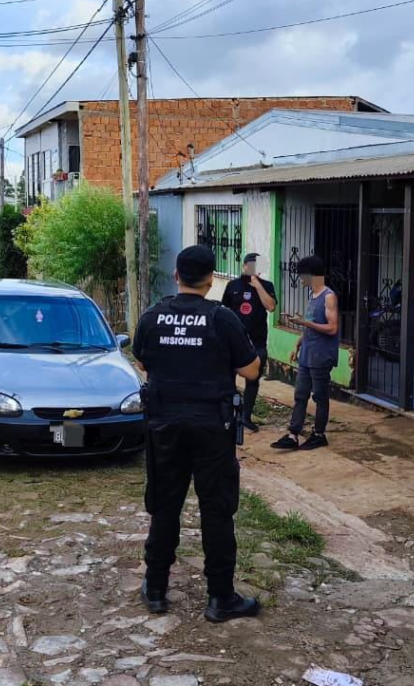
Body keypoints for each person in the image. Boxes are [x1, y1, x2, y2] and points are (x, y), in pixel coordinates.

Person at [133, 245, 263, 623]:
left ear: (177, 276)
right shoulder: (222, 318)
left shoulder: (152, 316)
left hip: (164, 427)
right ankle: (220, 598)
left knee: (165, 506)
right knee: (217, 511)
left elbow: (142, 361)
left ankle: (156, 588)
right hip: (211, 429)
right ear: (210, 280)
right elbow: (251, 371)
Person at [271, 255, 339, 451]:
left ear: (311, 275)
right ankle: (293, 434)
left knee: (320, 396)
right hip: (307, 355)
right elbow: (310, 326)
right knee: (300, 394)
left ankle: (319, 434)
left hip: (321, 356)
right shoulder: (312, 295)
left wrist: (304, 322)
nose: (300, 279)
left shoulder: (329, 297)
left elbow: (332, 328)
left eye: (302, 275)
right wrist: (297, 345)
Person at [221, 252, 277, 431]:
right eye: (251, 266)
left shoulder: (266, 286)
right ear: (244, 266)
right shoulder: (232, 286)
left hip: (256, 343)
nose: (253, 269)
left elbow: (271, 306)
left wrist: (257, 285)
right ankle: (230, 414)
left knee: (253, 380)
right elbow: (225, 311)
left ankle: (246, 417)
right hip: (233, 343)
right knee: (228, 380)